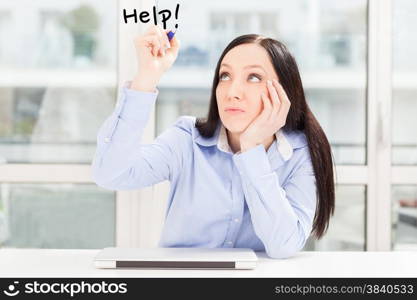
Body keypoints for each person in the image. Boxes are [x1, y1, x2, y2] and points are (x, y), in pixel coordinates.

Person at [92, 25, 335, 259]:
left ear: (283, 92)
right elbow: (110, 173)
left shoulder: (300, 154)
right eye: (225, 75)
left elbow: (284, 244)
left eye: (253, 77)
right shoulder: (187, 139)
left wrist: (251, 150)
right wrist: (146, 77)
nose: (232, 91)